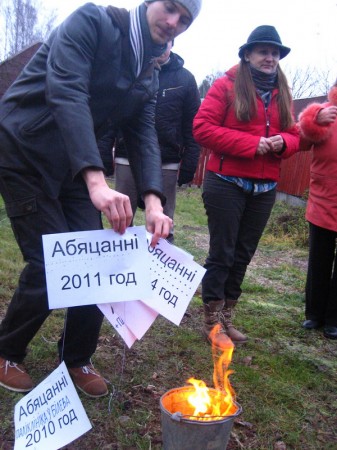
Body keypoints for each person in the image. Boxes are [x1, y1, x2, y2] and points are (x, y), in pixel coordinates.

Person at [0, 0, 202, 397]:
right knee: (50, 260)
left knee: (96, 260)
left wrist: (155, 202)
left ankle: (75, 358)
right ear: (148, 3)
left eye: (186, 18)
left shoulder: (148, 72)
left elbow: (143, 135)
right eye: (170, 7)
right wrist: (96, 181)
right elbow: (67, 92)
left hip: (72, 163)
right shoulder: (92, 23)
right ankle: (6, 350)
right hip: (25, 150)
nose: (174, 22)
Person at [193, 25, 300, 347]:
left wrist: (285, 142)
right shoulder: (226, 86)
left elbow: (296, 135)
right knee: (222, 253)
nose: (270, 57)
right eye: (263, 51)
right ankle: (212, 322)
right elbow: (202, 128)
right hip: (226, 181)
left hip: (265, 187)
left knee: (243, 254)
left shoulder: (282, 92)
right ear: (248, 55)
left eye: (275, 53)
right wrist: (251, 144)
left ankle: (227, 318)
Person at [114, 40, 201, 243]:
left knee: (163, 222)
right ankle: (121, 271)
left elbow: (192, 124)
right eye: (157, 43)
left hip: (166, 160)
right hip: (127, 156)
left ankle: (160, 272)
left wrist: (190, 160)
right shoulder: (130, 71)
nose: (161, 47)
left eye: (166, 43)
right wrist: (103, 148)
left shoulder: (185, 79)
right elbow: (113, 113)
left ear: (172, 44)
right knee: (121, 220)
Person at [298, 81, 337, 340]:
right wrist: (313, 118)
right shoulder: (327, 112)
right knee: (319, 260)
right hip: (324, 200)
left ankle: (334, 319)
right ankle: (314, 314)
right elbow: (299, 140)